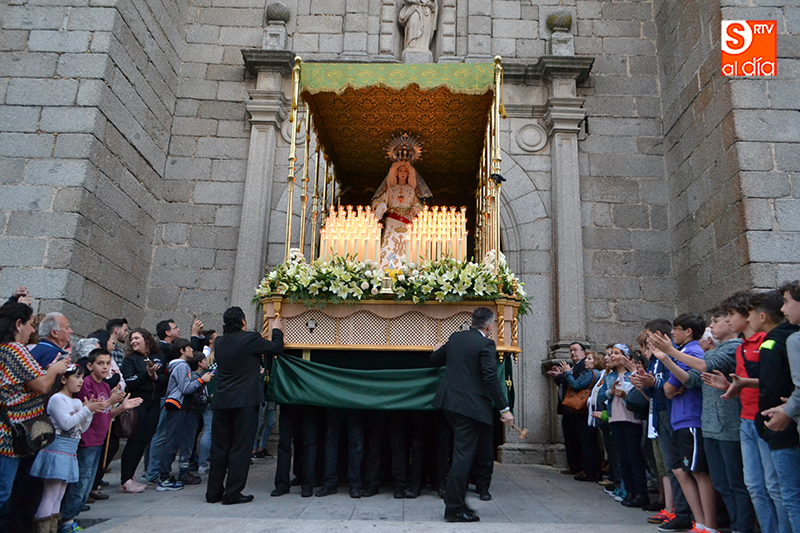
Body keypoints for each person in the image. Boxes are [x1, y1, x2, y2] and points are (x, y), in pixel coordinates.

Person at [706, 291, 791, 533]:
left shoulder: (769, 341)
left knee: (774, 486)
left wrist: (744, 383)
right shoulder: (743, 345)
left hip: (766, 419)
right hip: (746, 419)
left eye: (732, 314)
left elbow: (772, 380)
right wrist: (732, 387)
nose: (729, 319)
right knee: (754, 485)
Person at [430, 307, 513, 523]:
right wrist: (504, 408)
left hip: (449, 403)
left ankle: (457, 502)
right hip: (470, 407)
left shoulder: (455, 338)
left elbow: (435, 359)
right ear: (489, 326)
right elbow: (490, 377)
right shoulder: (486, 343)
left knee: (461, 454)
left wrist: (436, 349)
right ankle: (454, 508)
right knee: (462, 457)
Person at [0, 302, 69, 528]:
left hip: (10, 431)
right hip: (9, 436)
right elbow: (41, 385)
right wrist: (55, 369)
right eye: (30, 325)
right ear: (18, 324)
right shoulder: (14, 350)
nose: (32, 331)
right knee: (3, 492)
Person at [206, 306, 284, 505]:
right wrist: (276, 329)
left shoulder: (220, 342)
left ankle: (213, 492)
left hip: (222, 400)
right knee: (241, 448)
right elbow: (276, 348)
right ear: (242, 322)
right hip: (245, 401)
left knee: (220, 447)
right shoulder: (249, 338)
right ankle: (232, 493)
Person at [747, 290, 800, 532]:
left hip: (782, 425)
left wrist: (767, 422)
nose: (783, 309)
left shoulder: (775, 342)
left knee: (788, 495)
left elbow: (771, 388)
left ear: (762, 317)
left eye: (788, 302)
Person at [29, 364, 103, 533]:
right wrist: (86, 410)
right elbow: (66, 423)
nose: (80, 381)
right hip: (56, 450)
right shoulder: (57, 399)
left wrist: (89, 412)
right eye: (76, 377)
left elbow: (81, 428)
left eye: (82, 377)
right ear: (63, 379)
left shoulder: (76, 401)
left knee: (60, 494)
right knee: (51, 493)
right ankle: (42, 529)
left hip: (70, 451)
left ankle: (53, 528)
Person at [157, 342, 213, 491]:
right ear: (182, 351)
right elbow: (185, 388)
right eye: (189, 348)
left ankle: (165, 475)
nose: (191, 350)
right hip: (179, 407)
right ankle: (164, 478)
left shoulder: (177, 366)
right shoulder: (182, 366)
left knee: (174, 440)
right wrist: (201, 380)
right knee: (172, 441)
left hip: (180, 408)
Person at [119, 328, 167, 493]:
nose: (133, 341)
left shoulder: (159, 357)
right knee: (135, 439)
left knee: (145, 439)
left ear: (146, 339)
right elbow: (131, 381)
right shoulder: (130, 360)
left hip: (154, 403)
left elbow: (164, 379)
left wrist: (155, 377)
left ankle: (131, 475)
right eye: (131, 339)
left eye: (136, 338)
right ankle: (125, 478)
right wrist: (146, 374)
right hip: (138, 402)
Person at [371, 159, 432, 269]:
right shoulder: (390, 189)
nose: (403, 173)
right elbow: (378, 201)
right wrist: (382, 206)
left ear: (409, 174)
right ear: (396, 172)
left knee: (406, 245)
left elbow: (419, 205)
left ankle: (405, 269)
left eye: (405, 171)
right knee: (389, 244)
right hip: (392, 222)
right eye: (400, 170)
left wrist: (414, 209)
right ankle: (387, 268)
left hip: (406, 222)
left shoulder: (411, 190)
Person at [554, 349, 602, 482]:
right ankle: (591, 470)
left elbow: (576, 385)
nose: (586, 360)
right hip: (586, 411)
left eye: (590, 359)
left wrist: (568, 373)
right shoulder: (592, 373)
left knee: (587, 442)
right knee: (587, 442)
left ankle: (589, 472)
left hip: (584, 410)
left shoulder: (591, 373)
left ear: (596, 362)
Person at [548, 342, 587, 476]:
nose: (573, 353)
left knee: (578, 439)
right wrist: (558, 376)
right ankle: (574, 466)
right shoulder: (573, 366)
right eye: (571, 350)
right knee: (570, 438)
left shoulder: (583, 366)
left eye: (576, 350)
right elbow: (565, 382)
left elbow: (575, 383)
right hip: (567, 407)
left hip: (577, 407)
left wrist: (563, 375)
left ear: (583, 352)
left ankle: (582, 467)